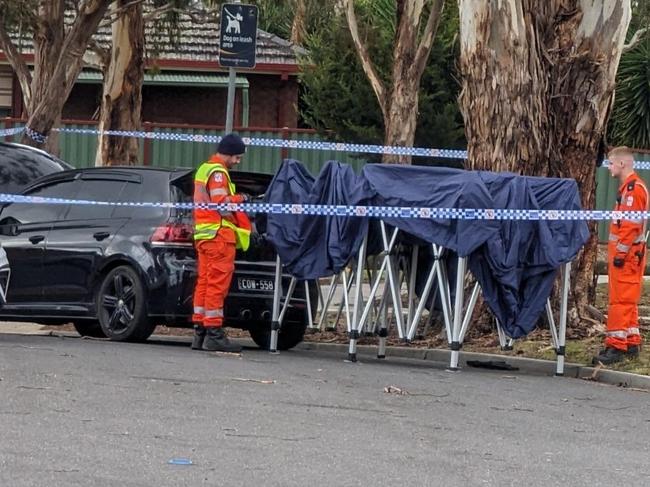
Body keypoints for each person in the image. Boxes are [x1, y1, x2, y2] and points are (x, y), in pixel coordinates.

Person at [191, 133, 253, 353]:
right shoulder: (218, 173)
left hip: (204, 236)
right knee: (217, 285)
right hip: (218, 236)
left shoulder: (204, 169)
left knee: (205, 283)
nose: (237, 162)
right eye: (237, 157)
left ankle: (200, 332)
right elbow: (221, 203)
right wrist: (242, 199)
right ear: (228, 153)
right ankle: (214, 334)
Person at [594, 146, 648, 365]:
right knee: (628, 302)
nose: (608, 167)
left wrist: (621, 253)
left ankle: (616, 346)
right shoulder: (630, 188)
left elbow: (630, 226)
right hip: (628, 255)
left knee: (620, 302)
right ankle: (632, 341)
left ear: (622, 163)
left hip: (627, 257)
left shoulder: (633, 190)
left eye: (611, 163)